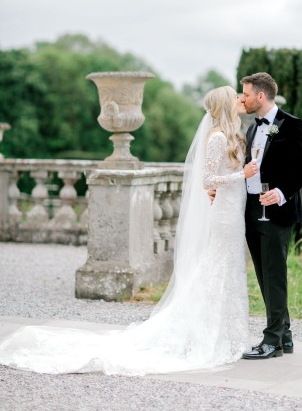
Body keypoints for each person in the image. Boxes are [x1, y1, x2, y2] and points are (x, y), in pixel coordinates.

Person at [0, 86, 258, 376]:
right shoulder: (218, 137)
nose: (239, 99)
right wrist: (242, 174)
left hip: (233, 212)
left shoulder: (233, 135)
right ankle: (207, 334)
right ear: (225, 104)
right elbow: (207, 179)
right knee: (217, 269)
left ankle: (226, 332)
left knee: (227, 270)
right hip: (224, 215)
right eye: (235, 96)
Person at [239, 72, 302, 360]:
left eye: (245, 94)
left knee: (274, 275)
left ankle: (272, 341)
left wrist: (281, 193)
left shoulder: (293, 125)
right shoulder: (251, 130)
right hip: (252, 209)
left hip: (278, 210)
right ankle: (286, 335)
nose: (242, 98)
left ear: (260, 95)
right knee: (264, 275)